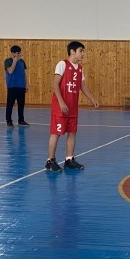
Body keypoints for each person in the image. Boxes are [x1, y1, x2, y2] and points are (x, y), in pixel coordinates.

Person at [45, 41, 99, 172]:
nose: (83, 54)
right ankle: (50, 160)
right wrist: (61, 102)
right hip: (60, 107)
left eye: (83, 51)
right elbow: (55, 84)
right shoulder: (62, 64)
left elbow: (82, 86)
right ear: (72, 51)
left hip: (73, 107)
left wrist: (92, 99)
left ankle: (69, 159)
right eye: (81, 51)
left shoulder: (79, 68)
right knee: (56, 133)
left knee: (72, 133)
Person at [4, 45, 29, 127]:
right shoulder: (8, 61)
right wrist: (14, 61)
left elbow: (25, 74)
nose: (18, 54)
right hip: (12, 86)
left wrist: (27, 84)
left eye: (19, 53)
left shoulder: (22, 62)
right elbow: (10, 71)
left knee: (21, 105)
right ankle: (9, 121)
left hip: (21, 86)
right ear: (12, 53)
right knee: (10, 105)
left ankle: (21, 120)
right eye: (16, 53)